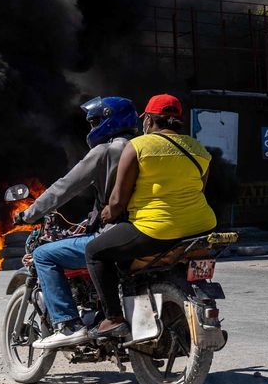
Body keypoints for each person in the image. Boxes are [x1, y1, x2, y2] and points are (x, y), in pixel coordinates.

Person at [86, 94, 217, 338]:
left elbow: (117, 201)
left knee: (94, 251)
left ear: (148, 120)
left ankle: (113, 318)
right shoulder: (200, 150)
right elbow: (199, 189)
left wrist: (106, 214)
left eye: (144, 119)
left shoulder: (138, 146)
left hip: (156, 229)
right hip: (201, 227)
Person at [13, 96, 138, 350]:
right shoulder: (145, 147)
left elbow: (64, 187)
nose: (92, 129)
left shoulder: (105, 151)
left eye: (95, 122)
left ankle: (67, 325)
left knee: (44, 255)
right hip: (146, 230)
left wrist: (29, 213)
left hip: (116, 233)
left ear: (108, 120)